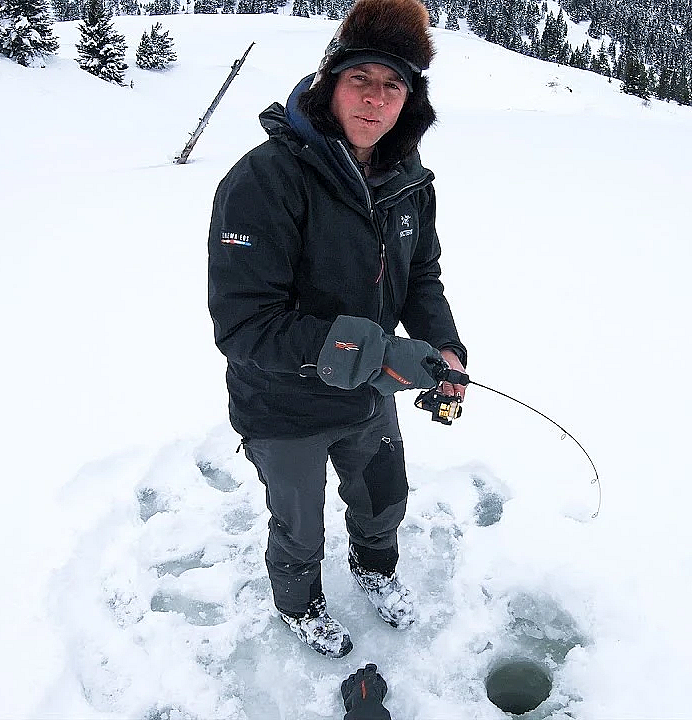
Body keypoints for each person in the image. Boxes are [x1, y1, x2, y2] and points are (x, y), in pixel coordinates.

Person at [207, 0, 467, 658]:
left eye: (393, 85)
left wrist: (443, 347)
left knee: (383, 499)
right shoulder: (265, 180)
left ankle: (374, 572)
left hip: (366, 394)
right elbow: (245, 325)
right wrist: (377, 352)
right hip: (281, 402)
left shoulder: (410, 182)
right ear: (330, 81)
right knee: (298, 527)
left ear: (411, 100)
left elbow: (422, 275)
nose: (375, 99)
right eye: (361, 79)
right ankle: (300, 605)